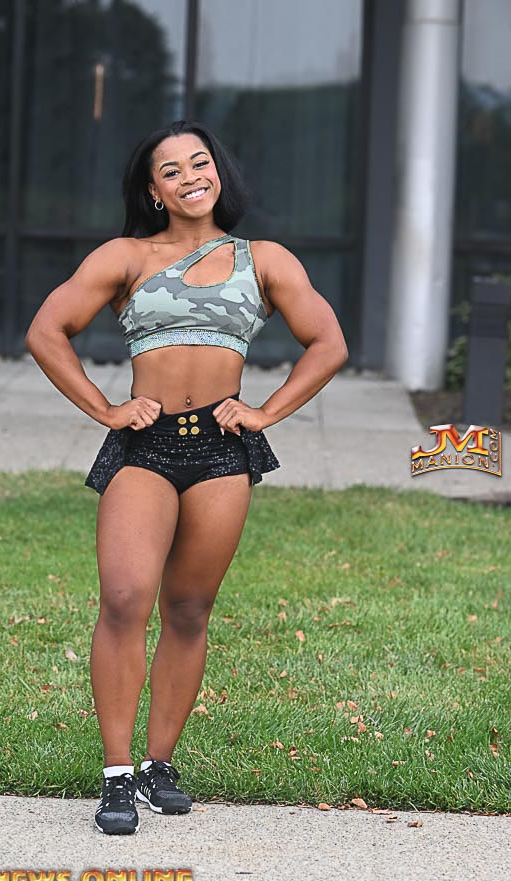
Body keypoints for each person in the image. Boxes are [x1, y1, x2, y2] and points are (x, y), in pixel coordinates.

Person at [25, 119, 348, 836]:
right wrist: (106, 408)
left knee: (190, 609)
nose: (189, 176)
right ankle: (117, 774)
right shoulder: (125, 256)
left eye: (199, 162)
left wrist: (265, 412)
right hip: (145, 444)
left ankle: (157, 764)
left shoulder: (263, 259)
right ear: (154, 191)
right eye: (170, 170)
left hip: (222, 452)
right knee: (124, 599)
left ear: (218, 172)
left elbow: (328, 343)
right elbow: (47, 331)